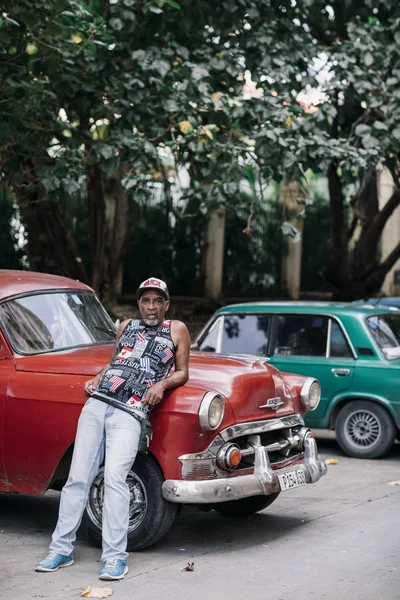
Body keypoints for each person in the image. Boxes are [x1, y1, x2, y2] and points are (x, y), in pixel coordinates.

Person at [35, 277, 191, 580]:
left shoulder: (176, 329)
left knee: (116, 479)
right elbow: (116, 362)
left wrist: (162, 383)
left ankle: (115, 557)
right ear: (139, 304)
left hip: (130, 412)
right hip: (98, 403)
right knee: (77, 478)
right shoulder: (126, 327)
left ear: (166, 305)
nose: (151, 306)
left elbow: (183, 372)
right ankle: (61, 549)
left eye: (158, 301)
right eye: (146, 300)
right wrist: (96, 377)